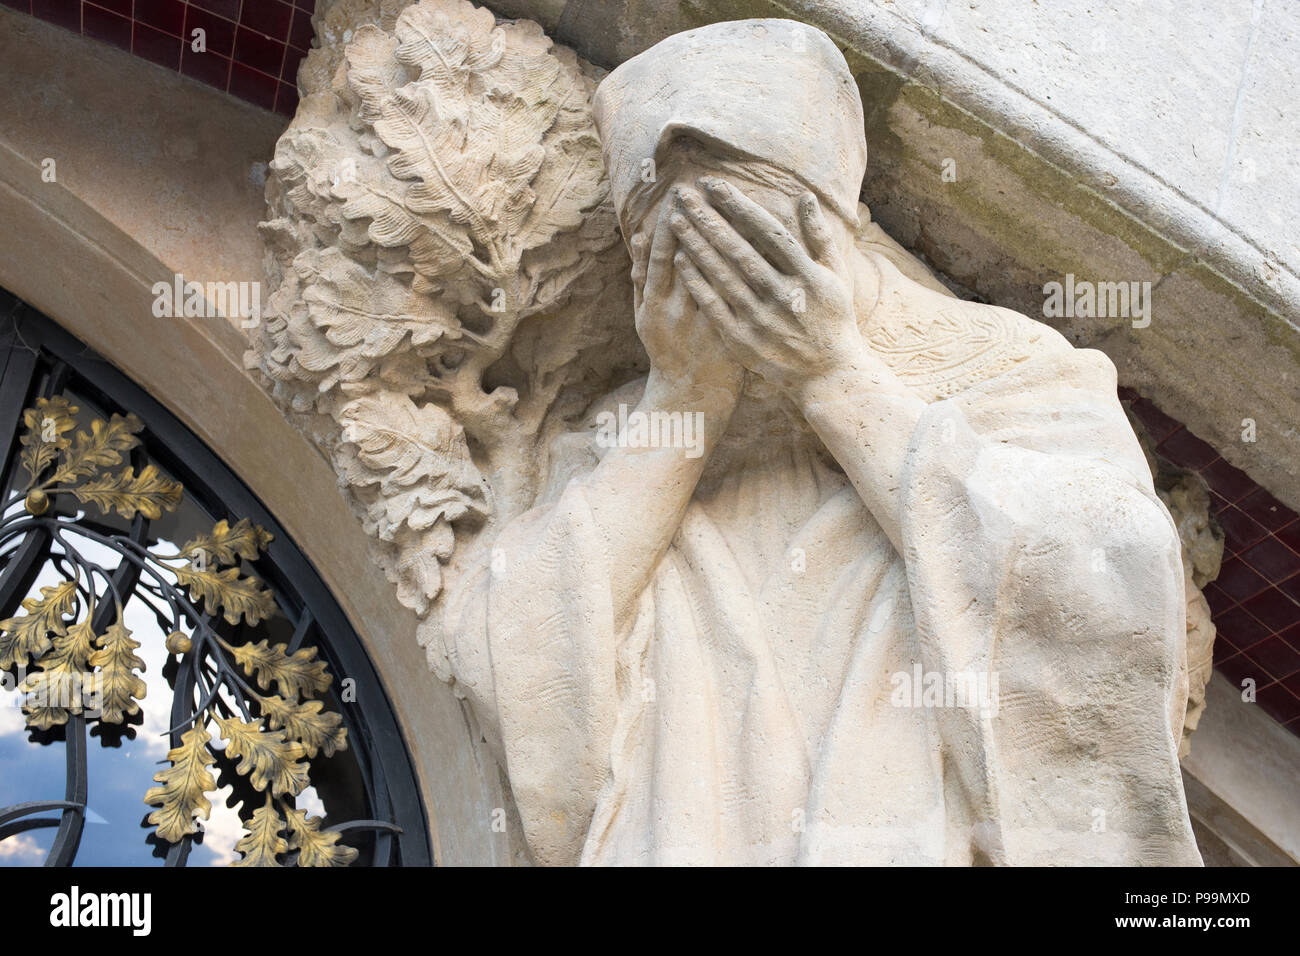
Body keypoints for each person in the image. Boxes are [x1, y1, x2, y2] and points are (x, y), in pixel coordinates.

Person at [440, 18, 1201, 866]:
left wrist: (835, 380)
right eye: (669, 245)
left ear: (840, 217)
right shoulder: (617, 438)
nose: (724, 272)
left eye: (756, 233)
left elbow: (1112, 584)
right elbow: (502, 666)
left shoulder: (1004, 367)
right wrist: (680, 411)